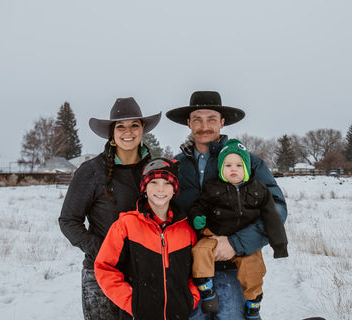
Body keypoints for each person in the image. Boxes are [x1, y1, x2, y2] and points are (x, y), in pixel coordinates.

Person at [166, 91, 288, 320]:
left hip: (234, 268)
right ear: (188, 123)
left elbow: (277, 209)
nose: (204, 126)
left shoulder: (246, 163)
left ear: (222, 122)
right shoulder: (175, 166)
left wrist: (236, 243)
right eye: (197, 119)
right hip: (190, 272)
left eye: (211, 118)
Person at [59, 97, 161, 320]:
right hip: (103, 273)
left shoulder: (155, 171)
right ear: (111, 132)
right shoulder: (92, 171)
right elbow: (68, 220)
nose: (128, 131)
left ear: (143, 129)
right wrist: (102, 250)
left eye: (135, 125)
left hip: (146, 271)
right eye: (120, 126)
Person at [190, 138, 289, 317]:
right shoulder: (213, 188)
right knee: (200, 251)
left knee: (253, 268)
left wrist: (280, 245)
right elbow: (199, 205)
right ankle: (206, 290)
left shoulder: (258, 190)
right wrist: (197, 217)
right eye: (227, 166)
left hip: (243, 242)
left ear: (248, 168)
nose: (233, 169)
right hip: (214, 235)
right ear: (220, 169)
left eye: (239, 165)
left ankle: (253, 303)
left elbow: (272, 216)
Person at [94, 158, 200, 320]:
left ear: (174, 190)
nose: (161, 189)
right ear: (144, 188)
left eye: (167, 183)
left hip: (179, 315)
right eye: (154, 183)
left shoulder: (186, 229)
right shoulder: (126, 225)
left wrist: (190, 299)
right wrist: (132, 303)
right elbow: (105, 268)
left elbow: (196, 272)